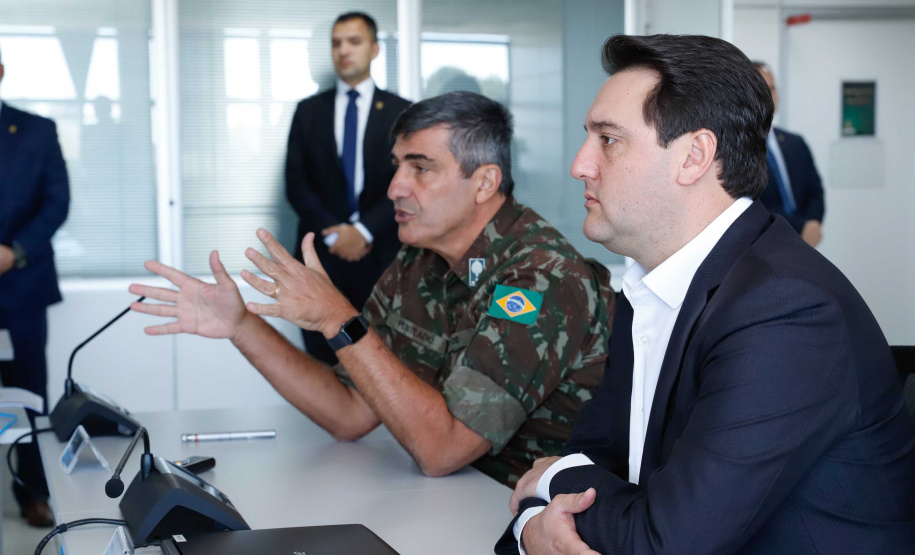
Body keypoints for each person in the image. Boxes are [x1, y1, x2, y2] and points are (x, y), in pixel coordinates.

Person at [498, 34, 915, 554]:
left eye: (608, 139)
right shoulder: (649, 286)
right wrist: (532, 526)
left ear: (694, 157)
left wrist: (552, 479)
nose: (580, 164)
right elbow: (596, 456)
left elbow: (667, 541)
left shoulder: (784, 307)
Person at [130, 91, 614, 487]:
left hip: (533, 519)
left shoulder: (540, 278)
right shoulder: (421, 259)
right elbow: (350, 411)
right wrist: (242, 326)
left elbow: (443, 450)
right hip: (456, 501)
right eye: (397, 165)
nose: (395, 187)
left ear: (485, 182)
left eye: (420, 168)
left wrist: (337, 318)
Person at [285, 12, 411, 365]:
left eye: (354, 42)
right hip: (321, 260)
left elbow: (409, 182)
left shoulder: (403, 112)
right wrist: (335, 235)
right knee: (323, 365)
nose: (343, 50)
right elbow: (296, 183)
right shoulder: (308, 111)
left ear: (374, 49)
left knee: (385, 363)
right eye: (336, 43)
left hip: (383, 256)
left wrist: (363, 231)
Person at [0, 47, 71, 527]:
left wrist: (14, 251)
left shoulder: (36, 130)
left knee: (27, 393)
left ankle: (33, 492)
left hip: (22, 286)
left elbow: (57, 201)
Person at [754, 61, 825, 247]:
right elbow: (751, 203)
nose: (772, 95)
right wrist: (800, 228)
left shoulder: (795, 143)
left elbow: (815, 192)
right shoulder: (737, 148)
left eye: (773, 88)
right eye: (764, 89)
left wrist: (813, 224)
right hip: (762, 245)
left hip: (802, 246)